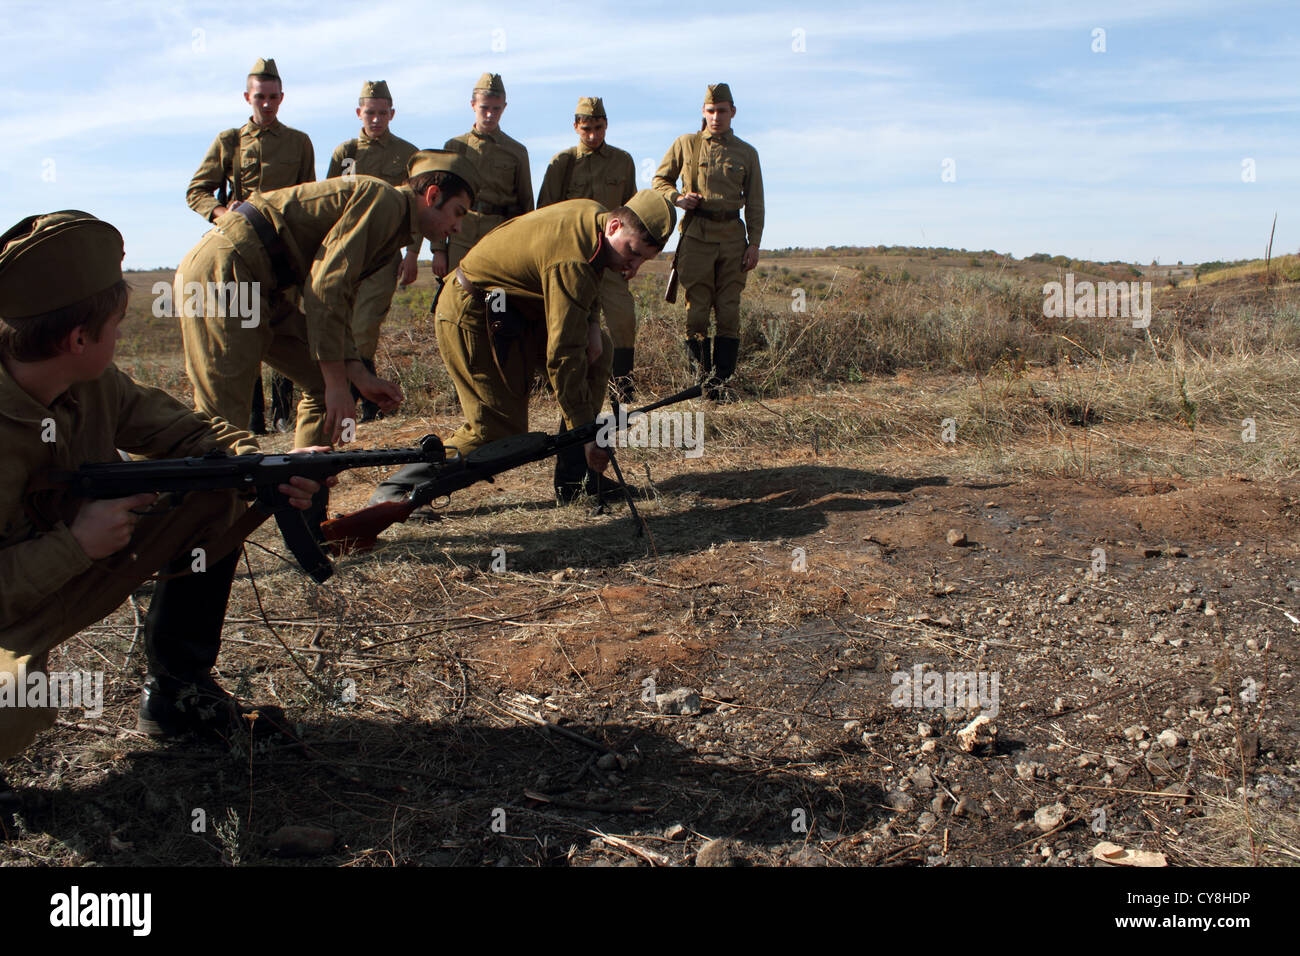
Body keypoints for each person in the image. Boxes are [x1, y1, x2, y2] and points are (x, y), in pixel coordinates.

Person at [0, 211, 331, 822]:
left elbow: (191, 432)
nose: (123, 336)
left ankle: (179, 691)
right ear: (77, 339)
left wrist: (264, 463)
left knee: (221, 487)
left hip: (65, 574)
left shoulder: (92, 381)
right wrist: (76, 544)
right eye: (117, 325)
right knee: (14, 696)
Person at [173, 150, 477, 533]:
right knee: (222, 419)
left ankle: (305, 518)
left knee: (319, 385)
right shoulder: (383, 201)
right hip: (228, 272)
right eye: (458, 212)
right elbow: (325, 286)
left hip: (268, 287)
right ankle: (197, 536)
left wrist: (355, 376)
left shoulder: (393, 229)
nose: (459, 227)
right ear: (432, 196)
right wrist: (338, 383)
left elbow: (338, 300)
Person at [368, 189, 675, 506]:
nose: (632, 268)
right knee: (497, 431)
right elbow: (563, 356)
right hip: (470, 311)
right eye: (632, 252)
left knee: (598, 352)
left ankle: (577, 479)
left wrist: (593, 325)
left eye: (643, 260)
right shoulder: (572, 258)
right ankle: (397, 493)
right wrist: (587, 434)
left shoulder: (593, 216)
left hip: (509, 311)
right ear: (614, 227)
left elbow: (590, 273)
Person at [186, 57, 316, 435]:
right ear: (247, 97)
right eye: (260, 96)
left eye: (274, 97)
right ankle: (253, 416)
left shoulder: (299, 142)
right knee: (244, 329)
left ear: (282, 97)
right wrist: (221, 212)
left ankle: (282, 413)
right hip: (240, 250)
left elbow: (308, 196)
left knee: (284, 328)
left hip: (283, 253)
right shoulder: (229, 141)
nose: (267, 104)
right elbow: (197, 190)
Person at [653, 83, 764, 401]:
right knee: (697, 313)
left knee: (729, 312)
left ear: (733, 113)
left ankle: (722, 386)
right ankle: (701, 384)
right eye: (711, 111)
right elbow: (660, 180)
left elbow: (756, 202)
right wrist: (677, 198)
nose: (717, 116)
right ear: (704, 112)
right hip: (697, 237)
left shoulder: (747, 152)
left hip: (732, 239)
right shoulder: (686, 144)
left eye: (723, 111)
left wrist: (754, 243)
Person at [327, 80, 421, 423]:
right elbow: (329, 202)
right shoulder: (345, 153)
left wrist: (413, 254)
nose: (377, 119)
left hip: (384, 254)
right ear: (358, 113)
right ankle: (361, 401)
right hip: (348, 253)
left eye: (383, 113)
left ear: (392, 114)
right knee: (345, 324)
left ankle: (367, 399)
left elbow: (417, 207)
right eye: (371, 113)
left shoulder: (408, 153)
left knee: (365, 326)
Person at [538, 96, 639, 411]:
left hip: (611, 258)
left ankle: (621, 390)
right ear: (575, 127)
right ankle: (570, 389)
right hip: (574, 259)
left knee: (623, 320)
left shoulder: (622, 161)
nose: (593, 135)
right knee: (570, 325)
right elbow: (545, 214)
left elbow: (632, 212)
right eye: (586, 129)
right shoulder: (563, 163)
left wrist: (633, 258)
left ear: (606, 125)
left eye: (598, 127)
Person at [432, 73, 532, 278]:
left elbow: (526, 204)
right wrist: (439, 250)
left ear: (504, 107)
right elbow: (439, 200)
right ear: (473, 105)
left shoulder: (516, 151)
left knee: (495, 299)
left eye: (496, 109)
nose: (489, 115)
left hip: (499, 235)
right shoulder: (454, 147)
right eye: (484, 108)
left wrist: (525, 250)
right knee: (454, 295)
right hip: (460, 232)